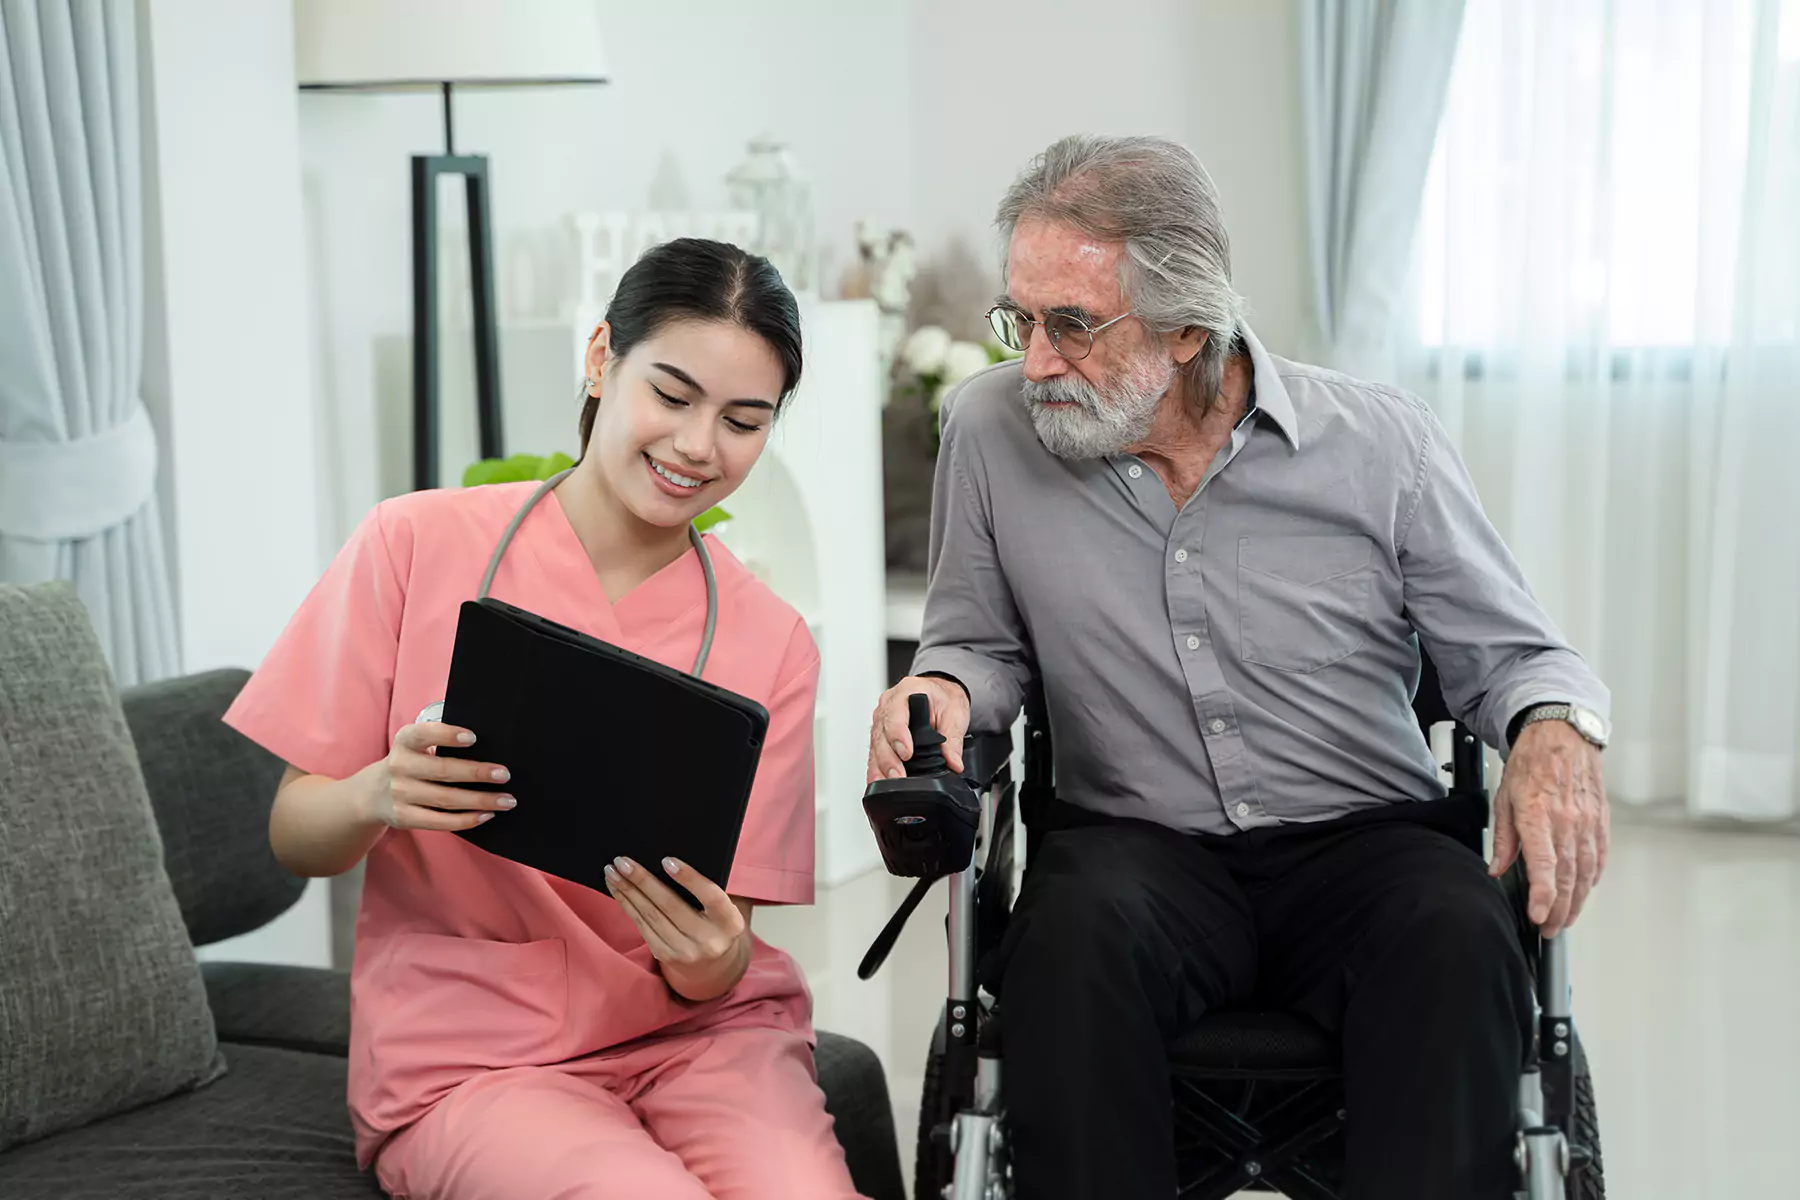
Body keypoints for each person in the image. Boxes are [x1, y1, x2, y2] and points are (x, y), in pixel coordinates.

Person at [866, 136, 1612, 1200]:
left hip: (1368, 848)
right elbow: (976, 647)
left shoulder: (1383, 446)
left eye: (1070, 324)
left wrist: (1551, 728)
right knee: (1065, 949)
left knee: (1457, 941)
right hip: (1135, 851)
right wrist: (938, 689)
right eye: (1018, 319)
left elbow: (1520, 655)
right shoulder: (989, 430)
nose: (1032, 359)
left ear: (1186, 329)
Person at [225, 238, 864, 1200]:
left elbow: (726, 944)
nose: (698, 446)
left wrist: (714, 957)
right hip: (473, 1052)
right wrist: (376, 793)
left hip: (701, 1039)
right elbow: (293, 835)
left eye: (743, 420)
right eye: (673, 395)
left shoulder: (771, 639)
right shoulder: (411, 544)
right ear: (602, 357)